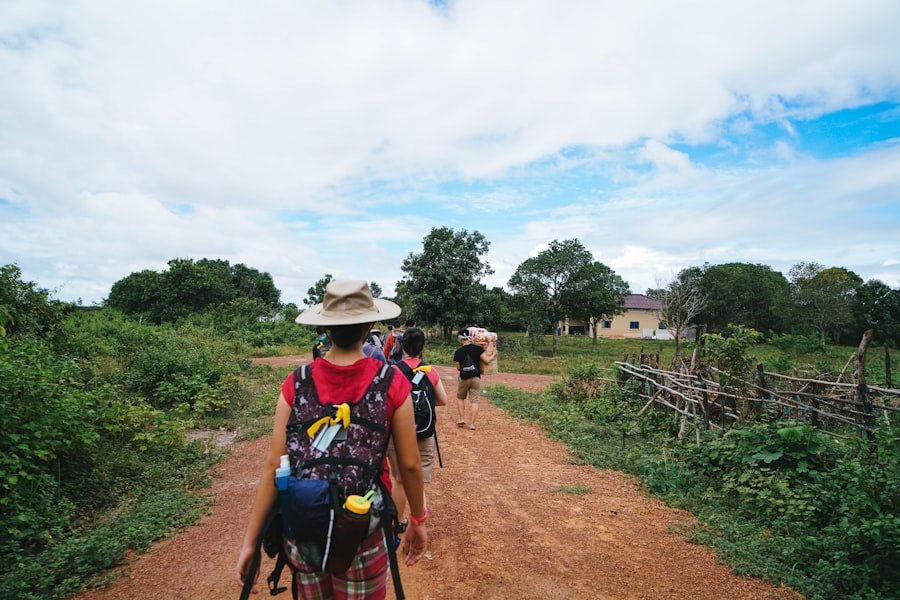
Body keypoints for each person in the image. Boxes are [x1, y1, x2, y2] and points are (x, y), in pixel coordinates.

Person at [236, 280, 428, 599]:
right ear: (369, 325)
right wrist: (418, 520)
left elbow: (275, 464)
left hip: (304, 529)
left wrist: (250, 542)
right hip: (363, 529)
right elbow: (408, 465)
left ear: (324, 327)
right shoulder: (391, 383)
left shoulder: (296, 383)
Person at [386, 327, 447, 527]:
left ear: (402, 345)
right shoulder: (430, 371)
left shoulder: (393, 372)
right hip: (423, 432)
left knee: (399, 479)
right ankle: (418, 521)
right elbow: (442, 400)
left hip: (397, 434)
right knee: (417, 479)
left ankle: (398, 521)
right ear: (423, 347)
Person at [453, 327, 496, 431]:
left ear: (461, 339)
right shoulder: (477, 349)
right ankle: (472, 424)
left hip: (463, 378)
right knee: (474, 401)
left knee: (460, 398)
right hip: (476, 378)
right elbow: (486, 361)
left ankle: (462, 419)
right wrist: (494, 354)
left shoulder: (458, 352)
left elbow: (458, 368)